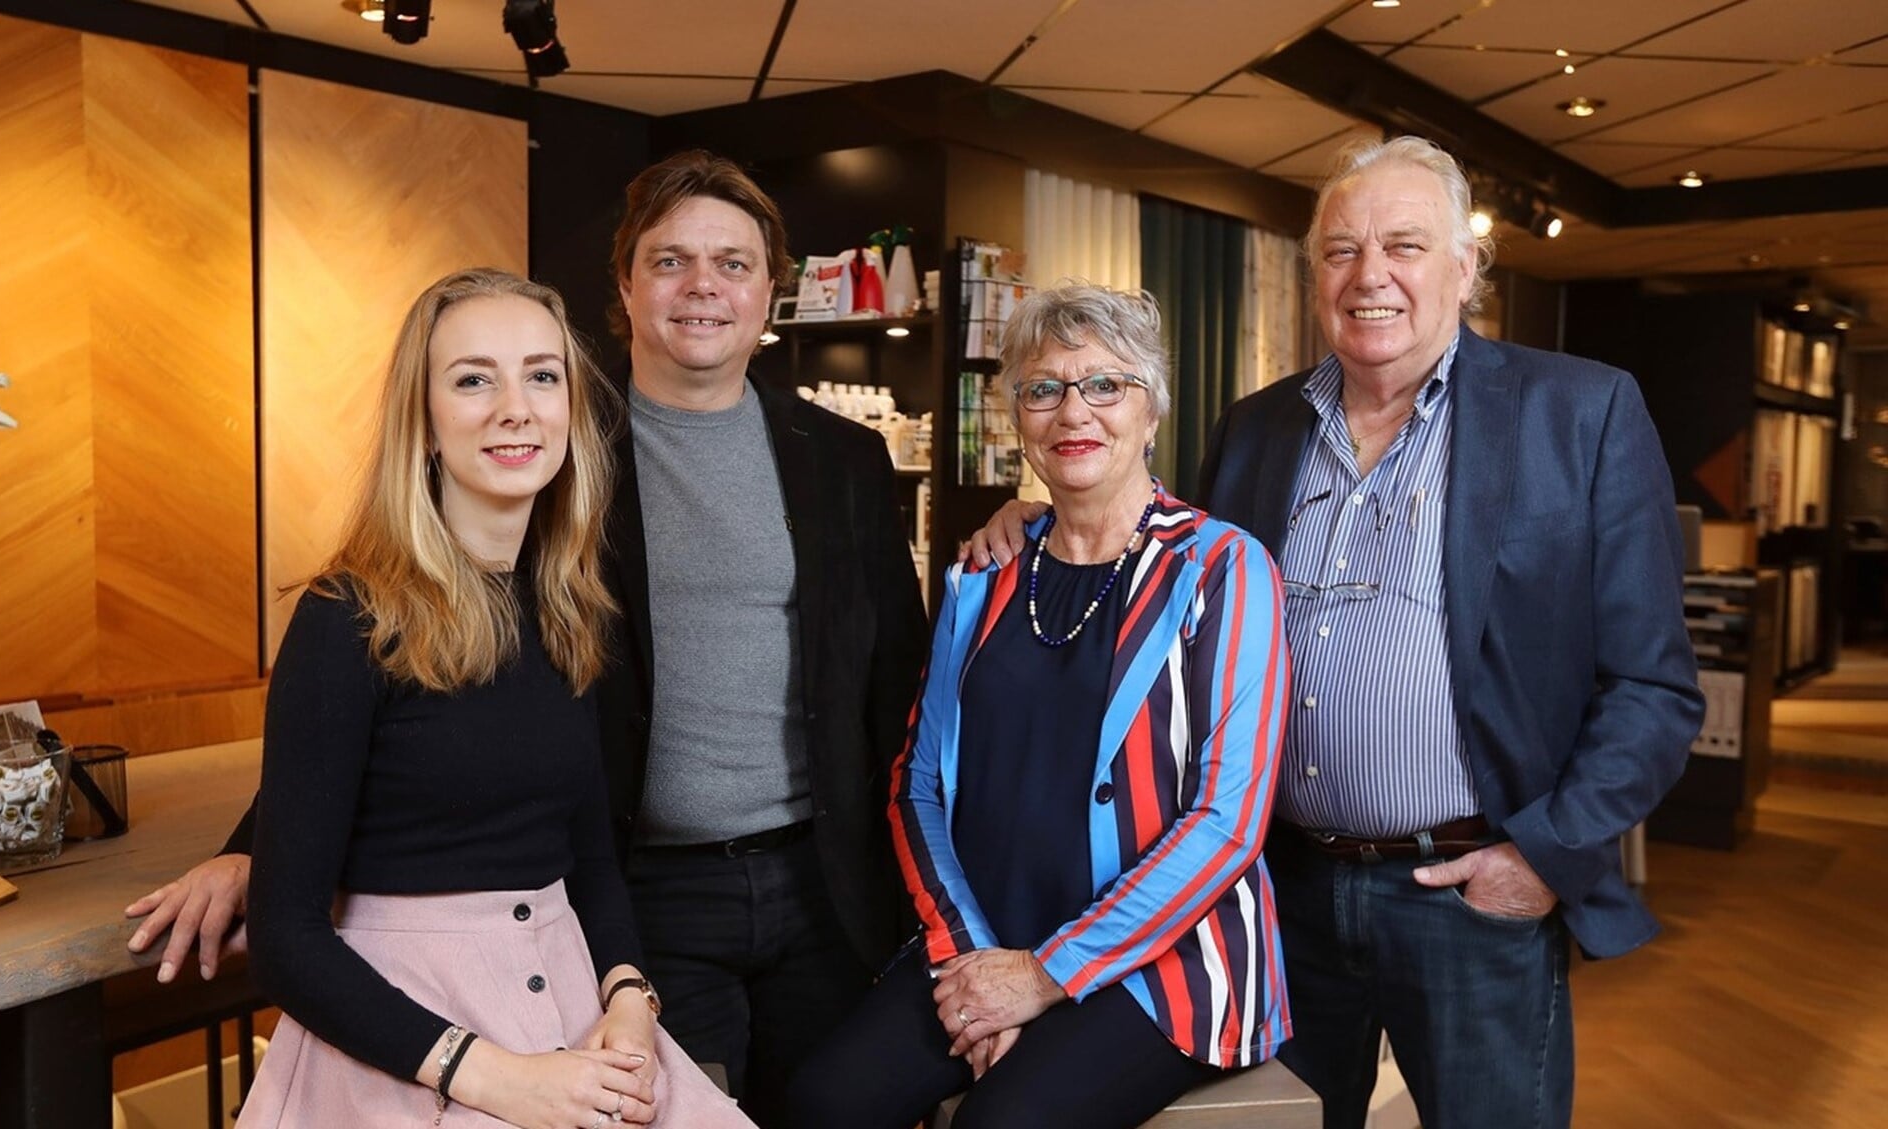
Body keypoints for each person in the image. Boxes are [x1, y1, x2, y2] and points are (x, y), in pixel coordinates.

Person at [128, 152, 927, 1128]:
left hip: (812, 884)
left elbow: (895, 683)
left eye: (732, 262)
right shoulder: (564, 442)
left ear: (771, 287)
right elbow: (398, 672)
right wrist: (256, 847)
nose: (702, 288)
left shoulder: (837, 458)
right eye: (669, 261)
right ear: (624, 285)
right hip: (646, 889)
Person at [965, 137, 1704, 1129]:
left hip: (1471, 890)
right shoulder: (1256, 429)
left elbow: (1652, 687)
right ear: (1313, 273)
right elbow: (1159, 551)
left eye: (1402, 244)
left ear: (1462, 266)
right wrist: (1035, 519)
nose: (1370, 277)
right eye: (1340, 250)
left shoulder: (1578, 413)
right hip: (1280, 894)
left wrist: (1542, 855)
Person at [232, 268, 749, 1127]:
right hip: (411, 1036)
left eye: (542, 375)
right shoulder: (346, 618)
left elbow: (587, 856)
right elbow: (284, 939)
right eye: (474, 378)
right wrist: (489, 1076)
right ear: (423, 423)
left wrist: (626, 992)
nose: (517, 406)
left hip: (572, 1001)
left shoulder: (570, 609)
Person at [789, 284, 1290, 1129]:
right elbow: (917, 783)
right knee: (820, 1103)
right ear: (1015, 416)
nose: (1073, 410)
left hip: (1164, 959)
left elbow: (1226, 822)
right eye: (1042, 387)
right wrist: (975, 962)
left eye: (1105, 384)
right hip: (985, 931)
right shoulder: (982, 574)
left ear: (1152, 411)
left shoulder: (1222, 568)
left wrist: (1042, 977)